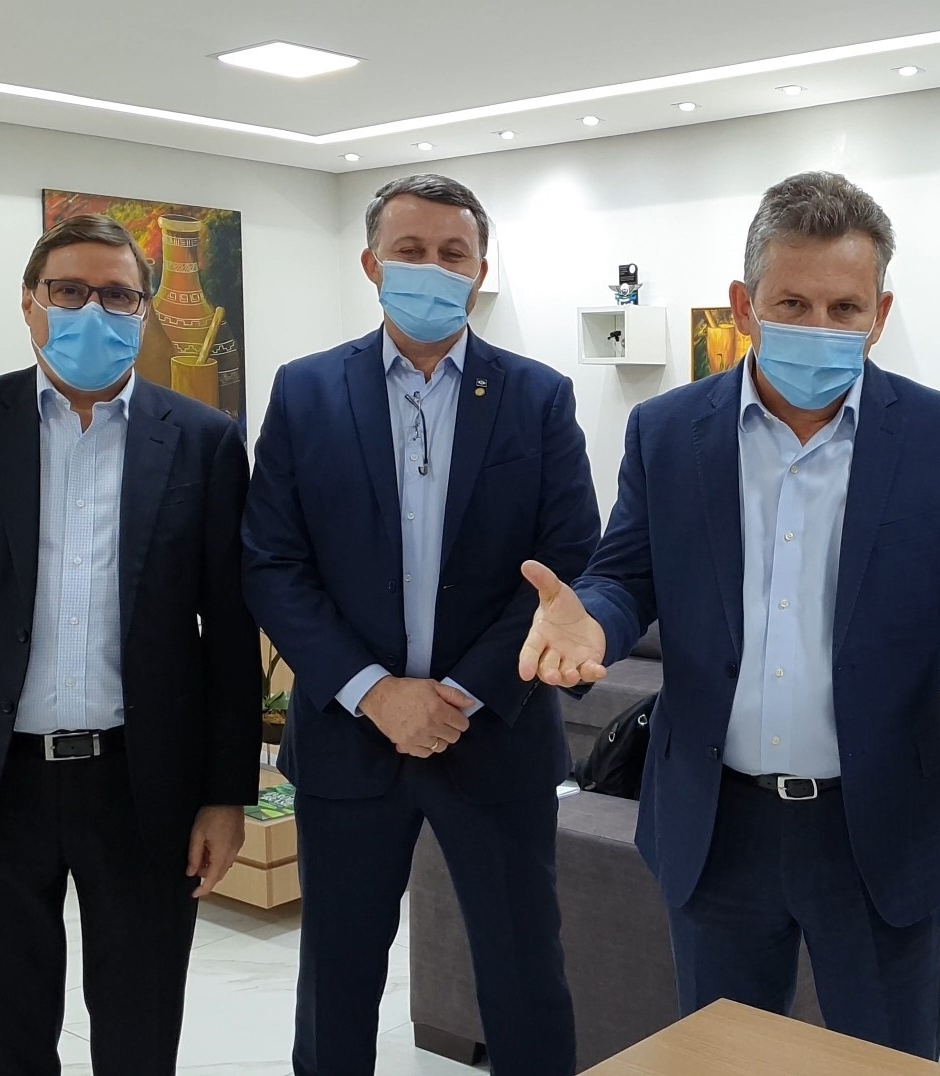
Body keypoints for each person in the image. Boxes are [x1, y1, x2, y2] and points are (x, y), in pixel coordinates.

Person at [516, 171, 940, 1060]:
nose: (820, 326)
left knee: (885, 1062)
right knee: (723, 1059)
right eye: (792, 303)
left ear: (879, 314)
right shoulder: (665, 431)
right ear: (744, 305)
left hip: (878, 823)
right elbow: (624, 575)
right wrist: (595, 622)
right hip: (717, 824)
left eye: (846, 308)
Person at [0, 214, 260, 1074]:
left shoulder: (204, 440)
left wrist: (226, 795)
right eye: (69, 291)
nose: (93, 311)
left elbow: (231, 638)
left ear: (144, 310)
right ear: (29, 303)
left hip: (143, 786)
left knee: (140, 1033)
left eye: (117, 295)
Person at [242, 174, 599, 1076]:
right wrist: (374, 694)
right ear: (371, 264)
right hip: (348, 742)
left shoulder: (537, 396)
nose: (432, 268)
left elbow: (566, 561)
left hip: (496, 738)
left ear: (480, 270)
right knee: (336, 980)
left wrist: (461, 693)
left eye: (452, 253)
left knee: (524, 978)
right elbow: (272, 562)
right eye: (410, 251)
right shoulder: (306, 390)